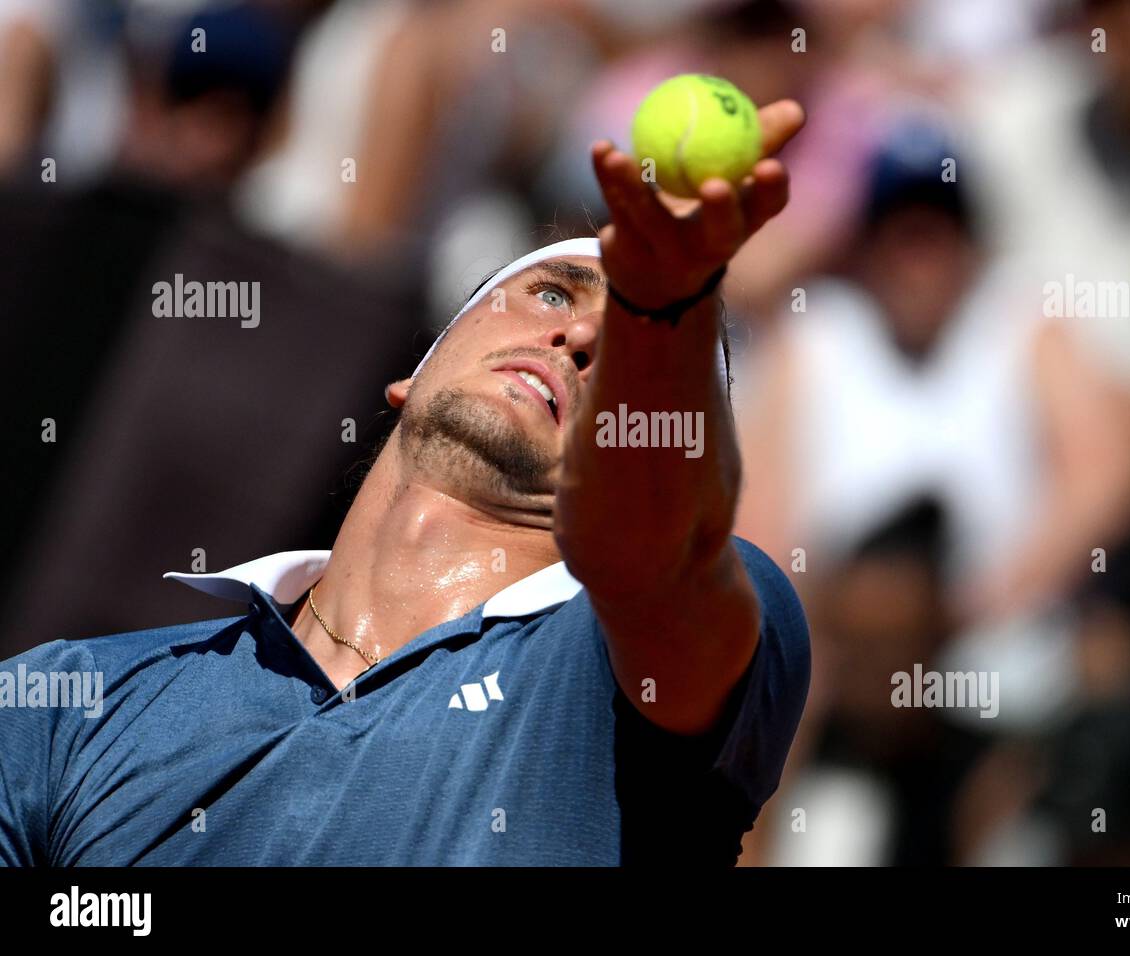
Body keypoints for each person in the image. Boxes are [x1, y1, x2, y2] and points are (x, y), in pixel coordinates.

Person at [0, 101, 812, 866]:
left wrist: (668, 316)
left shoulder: (638, 673)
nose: (581, 333)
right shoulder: (66, 702)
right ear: (414, 372)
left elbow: (663, 561)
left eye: (633, 339)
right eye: (553, 292)